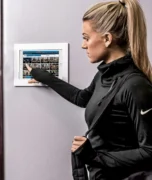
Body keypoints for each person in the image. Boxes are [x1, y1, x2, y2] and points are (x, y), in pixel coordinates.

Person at [25, 0, 152, 179]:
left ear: (107, 39)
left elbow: (149, 151)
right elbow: (82, 97)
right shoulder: (105, 74)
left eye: (86, 38)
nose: (83, 45)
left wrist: (94, 157)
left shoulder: (135, 85)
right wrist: (42, 75)